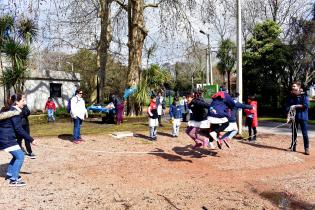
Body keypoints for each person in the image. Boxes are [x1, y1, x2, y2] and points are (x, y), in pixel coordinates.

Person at [0, 94, 37, 187]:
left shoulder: (10, 110)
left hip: (5, 138)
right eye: (23, 101)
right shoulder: (15, 112)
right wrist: (31, 139)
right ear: (17, 102)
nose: (24, 103)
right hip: (6, 138)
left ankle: (9, 174)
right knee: (20, 155)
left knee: (16, 155)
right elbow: (19, 129)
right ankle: (14, 180)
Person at [286, 82, 310, 155]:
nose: (293, 87)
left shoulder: (304, 95)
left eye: (294, 86)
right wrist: (288, 116)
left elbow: (306, 105)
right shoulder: (291, 96)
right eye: (292, 86)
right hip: (294, 118)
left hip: (303, 117)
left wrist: (295, 106)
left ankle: (306, 148)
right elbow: (287, 107)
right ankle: (293, 147)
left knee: (305, 134)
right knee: (294, 133)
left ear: (298, 87)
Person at [11, 94, 36, 159]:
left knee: (27, 137)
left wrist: (23, 108)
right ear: (17, 101)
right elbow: (19, 115)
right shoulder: (13, 109)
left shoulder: (24, 105)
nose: (24, 101)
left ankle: (29, 151)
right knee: (19, 139)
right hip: (19, 125)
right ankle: (19, 152)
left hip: (25, 124)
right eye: (23, 100)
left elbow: (27, 112)